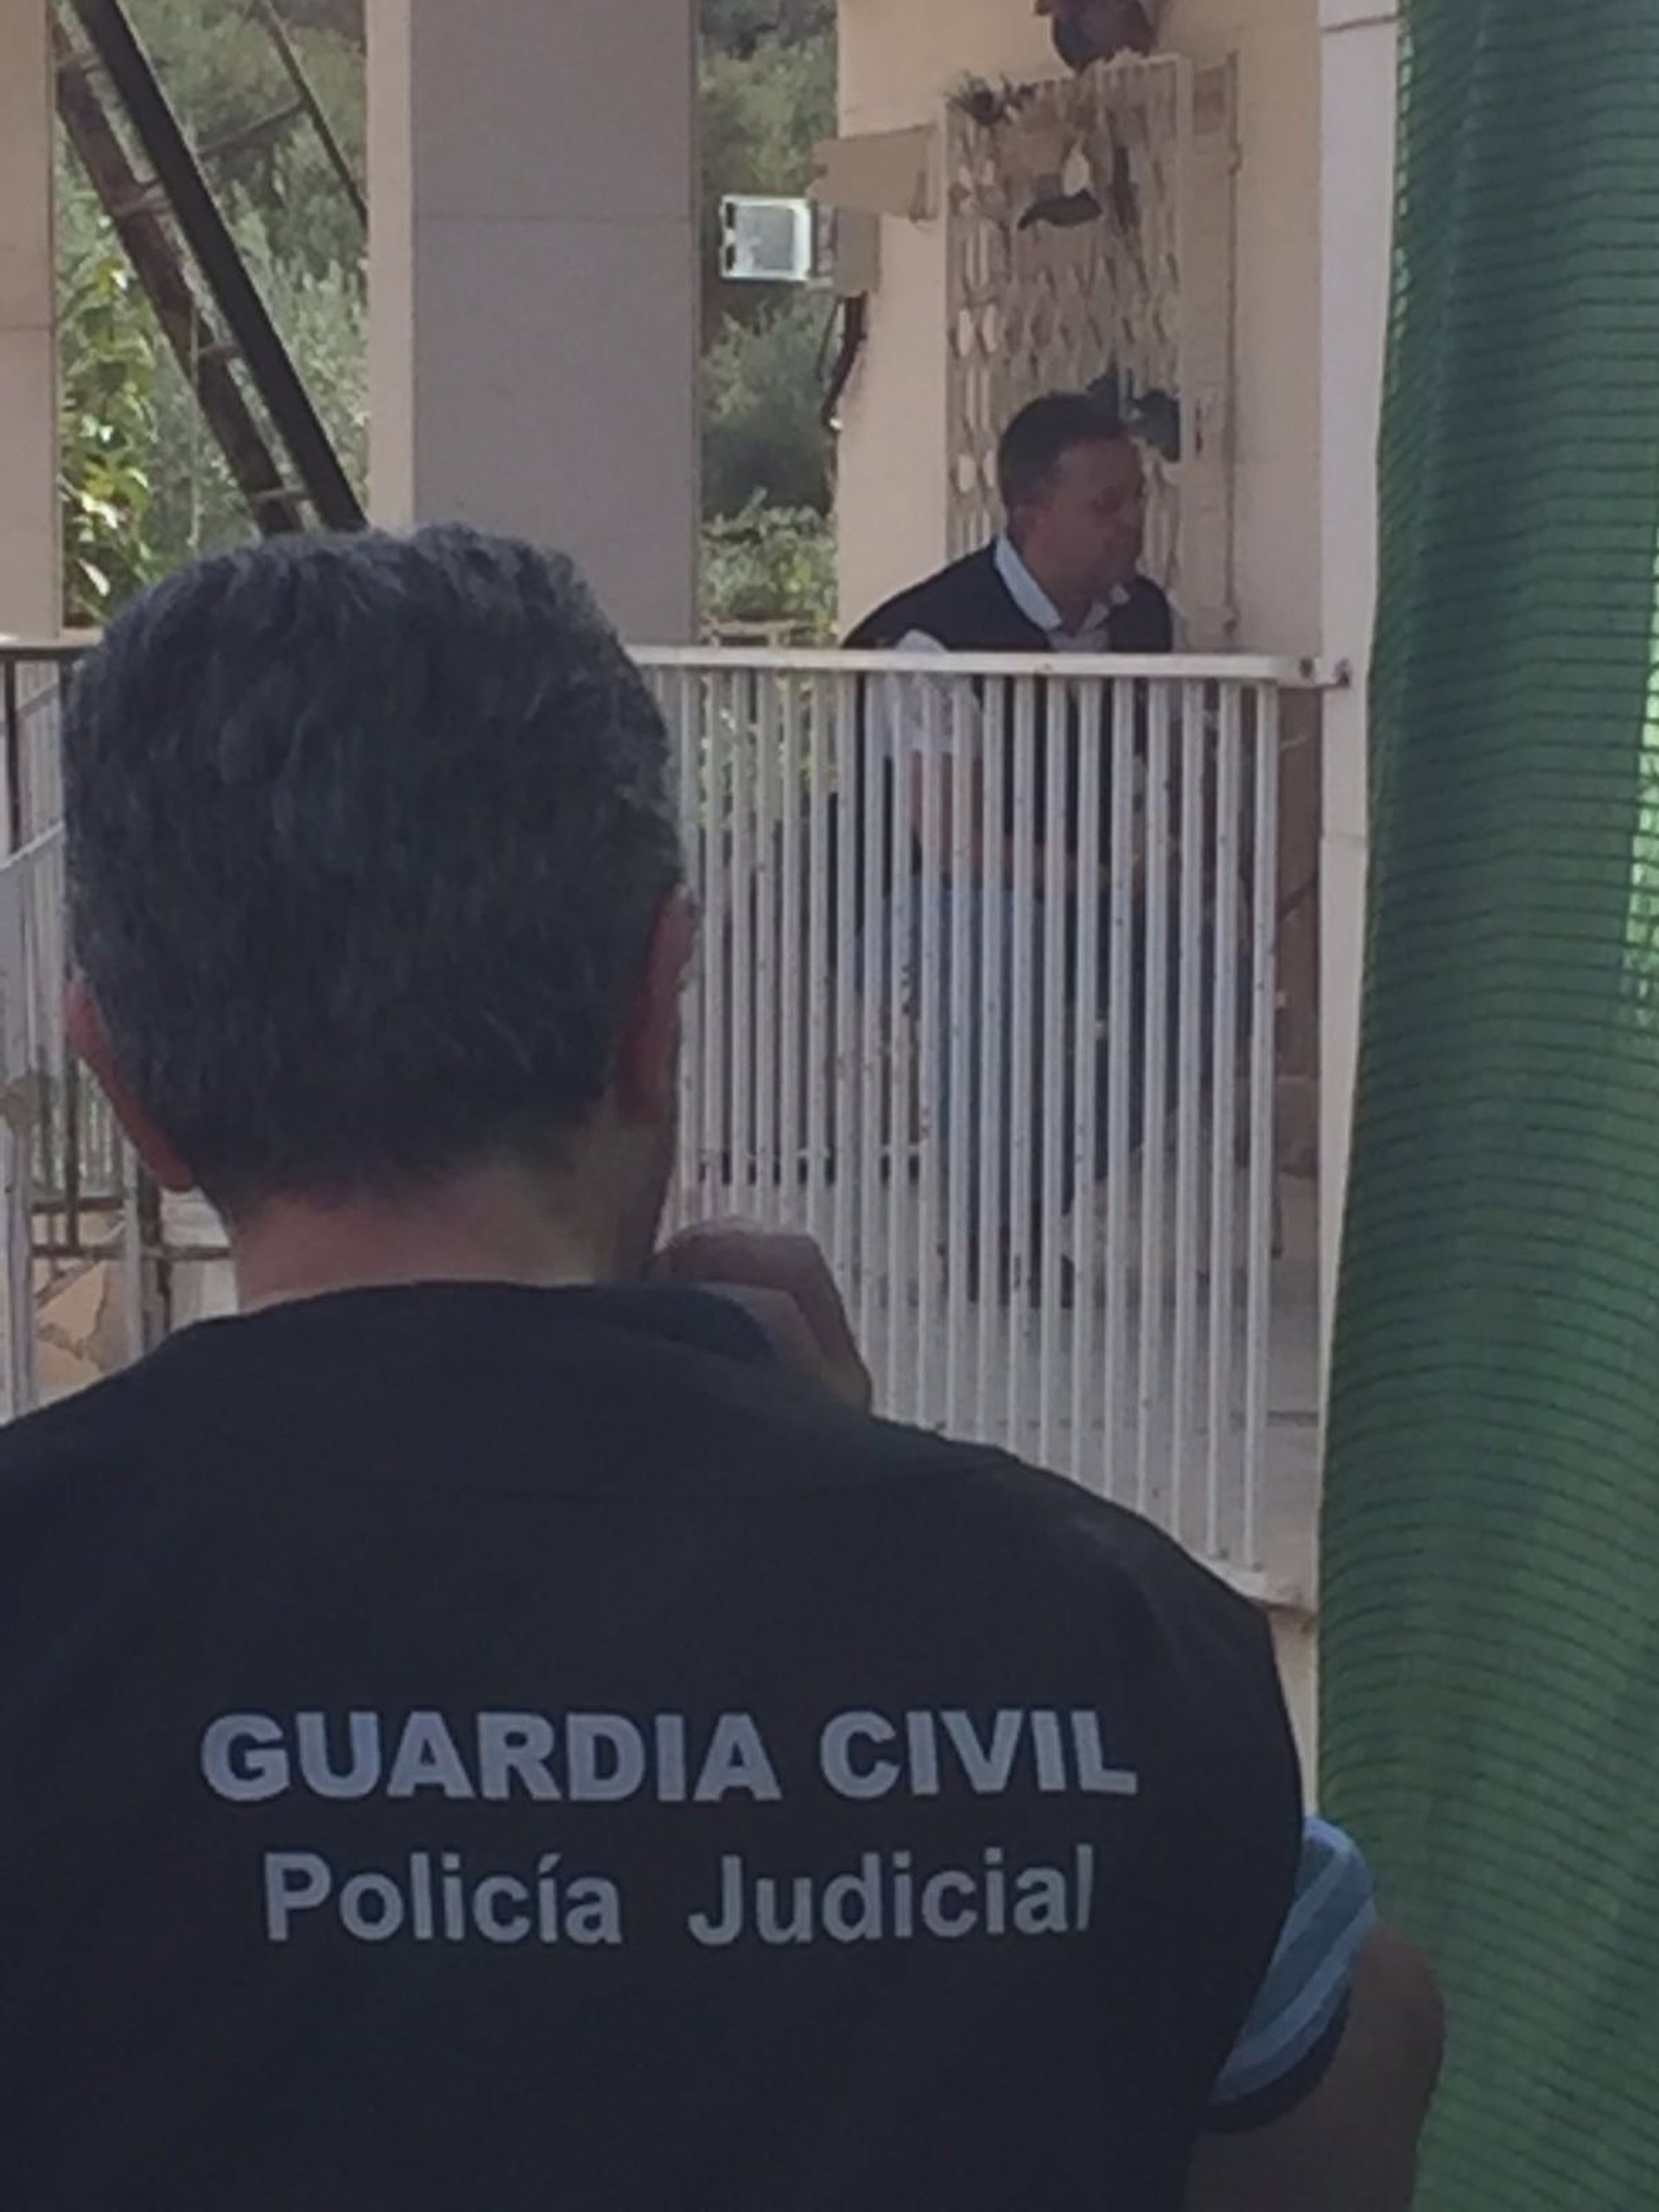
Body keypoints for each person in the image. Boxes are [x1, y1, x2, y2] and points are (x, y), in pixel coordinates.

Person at [0, 527, 1439, 2209]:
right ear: (652, 1005)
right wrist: (885, 1557)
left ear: (128, 1085)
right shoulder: (1108, 1637)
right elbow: (1336, 2068)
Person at [845, 392, 1177, 1296]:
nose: (1131, 521)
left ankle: (1022, 1201)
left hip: (1076, 898)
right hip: (909, 906)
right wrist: (1107, 880)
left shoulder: (1146, 619)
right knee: (998, 935)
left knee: (1208, 975)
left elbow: (1171, 770)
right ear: (1030, 515)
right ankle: (985, 1228)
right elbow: (952, 841)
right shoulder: (935, 635)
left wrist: (1186, 874)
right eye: (1105, 504)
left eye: (1137, 498)